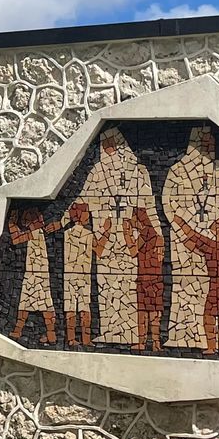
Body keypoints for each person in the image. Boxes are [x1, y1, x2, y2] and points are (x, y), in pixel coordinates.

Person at [161, 125, 219, 351]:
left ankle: (218, 341)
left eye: (211, 143)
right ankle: (184, 334)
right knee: (187, 286)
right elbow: (168, 204)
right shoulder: (177, 171)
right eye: (204, 142)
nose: (209, 146)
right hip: (185, 243)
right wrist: (183, 231)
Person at [78, 126, 158, 345]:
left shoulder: (138, 171)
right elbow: (83, 199)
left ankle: (131, 333)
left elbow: (148, 204)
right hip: (105, 238)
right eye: (106, 145)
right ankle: (110, 331)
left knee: (129, 286)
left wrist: (155, 234)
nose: (108, 149)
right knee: (106, 286)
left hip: (129, 238)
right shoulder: (97, 171)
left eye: (112, 144)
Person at [174, 215, 219, 357]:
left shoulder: (217, 246)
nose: (215, 224)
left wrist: (180, 222)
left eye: (218, 223)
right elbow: (192, 241)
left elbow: (192, 236)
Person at [5, 206, 56, 344]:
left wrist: (12, 222)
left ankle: (48, 334)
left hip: (36, 275)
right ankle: (20, 330)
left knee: (39, 303)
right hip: (35, 273)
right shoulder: (37, 232)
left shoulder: (36, 233)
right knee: (35, 303)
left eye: (27, 219)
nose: (25, 223)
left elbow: (16, 239)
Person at [125, 206, 167, 352]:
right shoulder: (156, 235)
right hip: (155, 278)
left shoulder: (146, 232)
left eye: (133, 218)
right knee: (153, 311)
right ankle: (155, 343)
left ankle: (144, 342)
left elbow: (133, 251)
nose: (131, 221)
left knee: (144, 312)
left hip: (146, 279)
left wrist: (127, 233)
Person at [58, 201, 96, 347]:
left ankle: (71, 338)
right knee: (85, 308)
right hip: (83, 275)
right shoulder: (88, 234)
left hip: (69, 275)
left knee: (70, 308)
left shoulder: (67, 234)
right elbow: (94, 251)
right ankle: (86, 339)